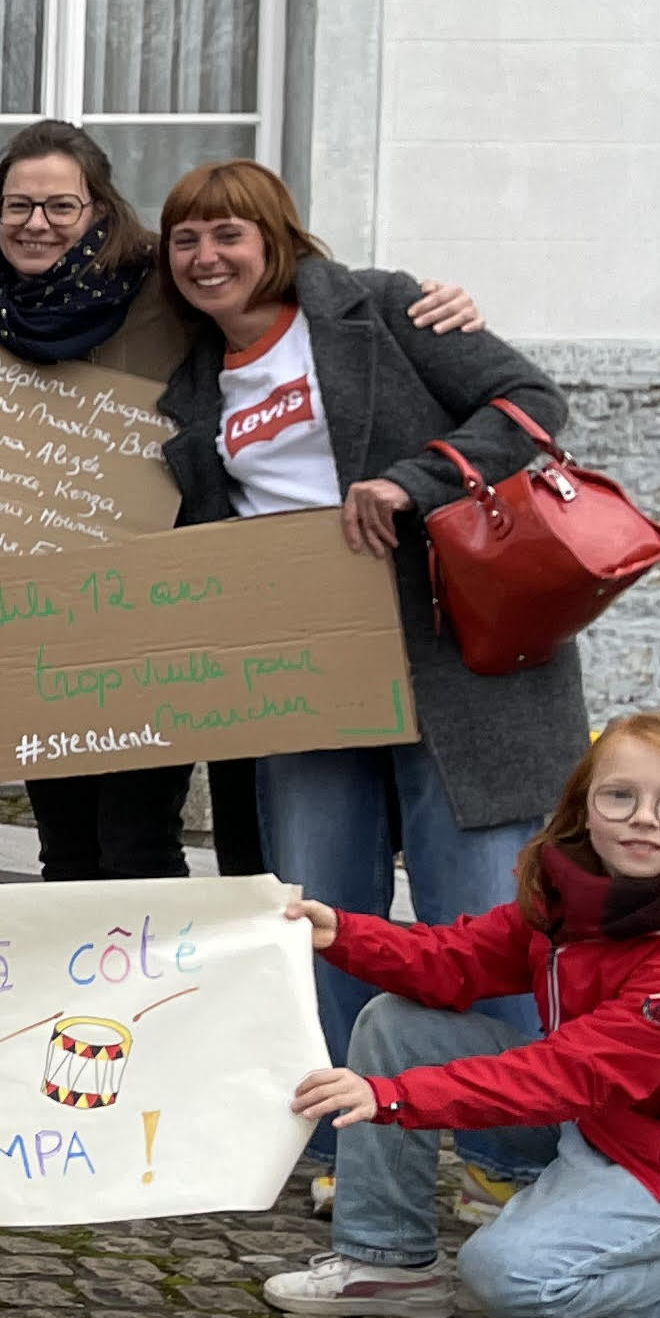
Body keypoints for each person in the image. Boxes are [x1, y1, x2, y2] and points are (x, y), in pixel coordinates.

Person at [0, 122, 484, 890]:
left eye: (61, 206)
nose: (37, 223)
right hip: (38, 607)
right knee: (64, 846)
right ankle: (90, 1003)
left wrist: (429, 303)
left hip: (170, 604)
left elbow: (279, 296)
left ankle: (165, 1001)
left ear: (99, 210)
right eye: (19, 206)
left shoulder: (159, 295)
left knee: (145, 839)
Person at [156, 156, 590, 1073]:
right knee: (321, 914)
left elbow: (532, 403)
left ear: (276, 239)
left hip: (454, 653)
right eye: (185, 238)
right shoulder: (189, 385)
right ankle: (348, 1140)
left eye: (228, 233)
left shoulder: (383, 308)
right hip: (306, 666)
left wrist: (410, 479)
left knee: (479, 918)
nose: (206, 256)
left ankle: (503, 1150)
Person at [261, 713, 660, 1318]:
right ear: (583, 804)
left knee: (507, 1276)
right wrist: (340, 933)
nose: (644, 818)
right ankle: (386, 1263)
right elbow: (454, 959)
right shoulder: (572, 893)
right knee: (397, 1023)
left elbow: (571, 1072)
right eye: (620, 796)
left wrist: (392, 1096)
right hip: (600, 1123)